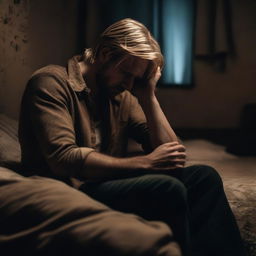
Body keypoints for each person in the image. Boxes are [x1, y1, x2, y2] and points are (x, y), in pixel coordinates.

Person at [18, 18, 245, 256]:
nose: (129, 84)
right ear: (105, 53)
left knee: (204, 177)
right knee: (166, 187)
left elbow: (174, 157)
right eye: (127, 73)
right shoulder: (50, 82)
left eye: (136, 79)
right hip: (66, 190)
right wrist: (146, 163)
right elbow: (63, 158)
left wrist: (149, 97)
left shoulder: (120, 94)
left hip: (100, 184)